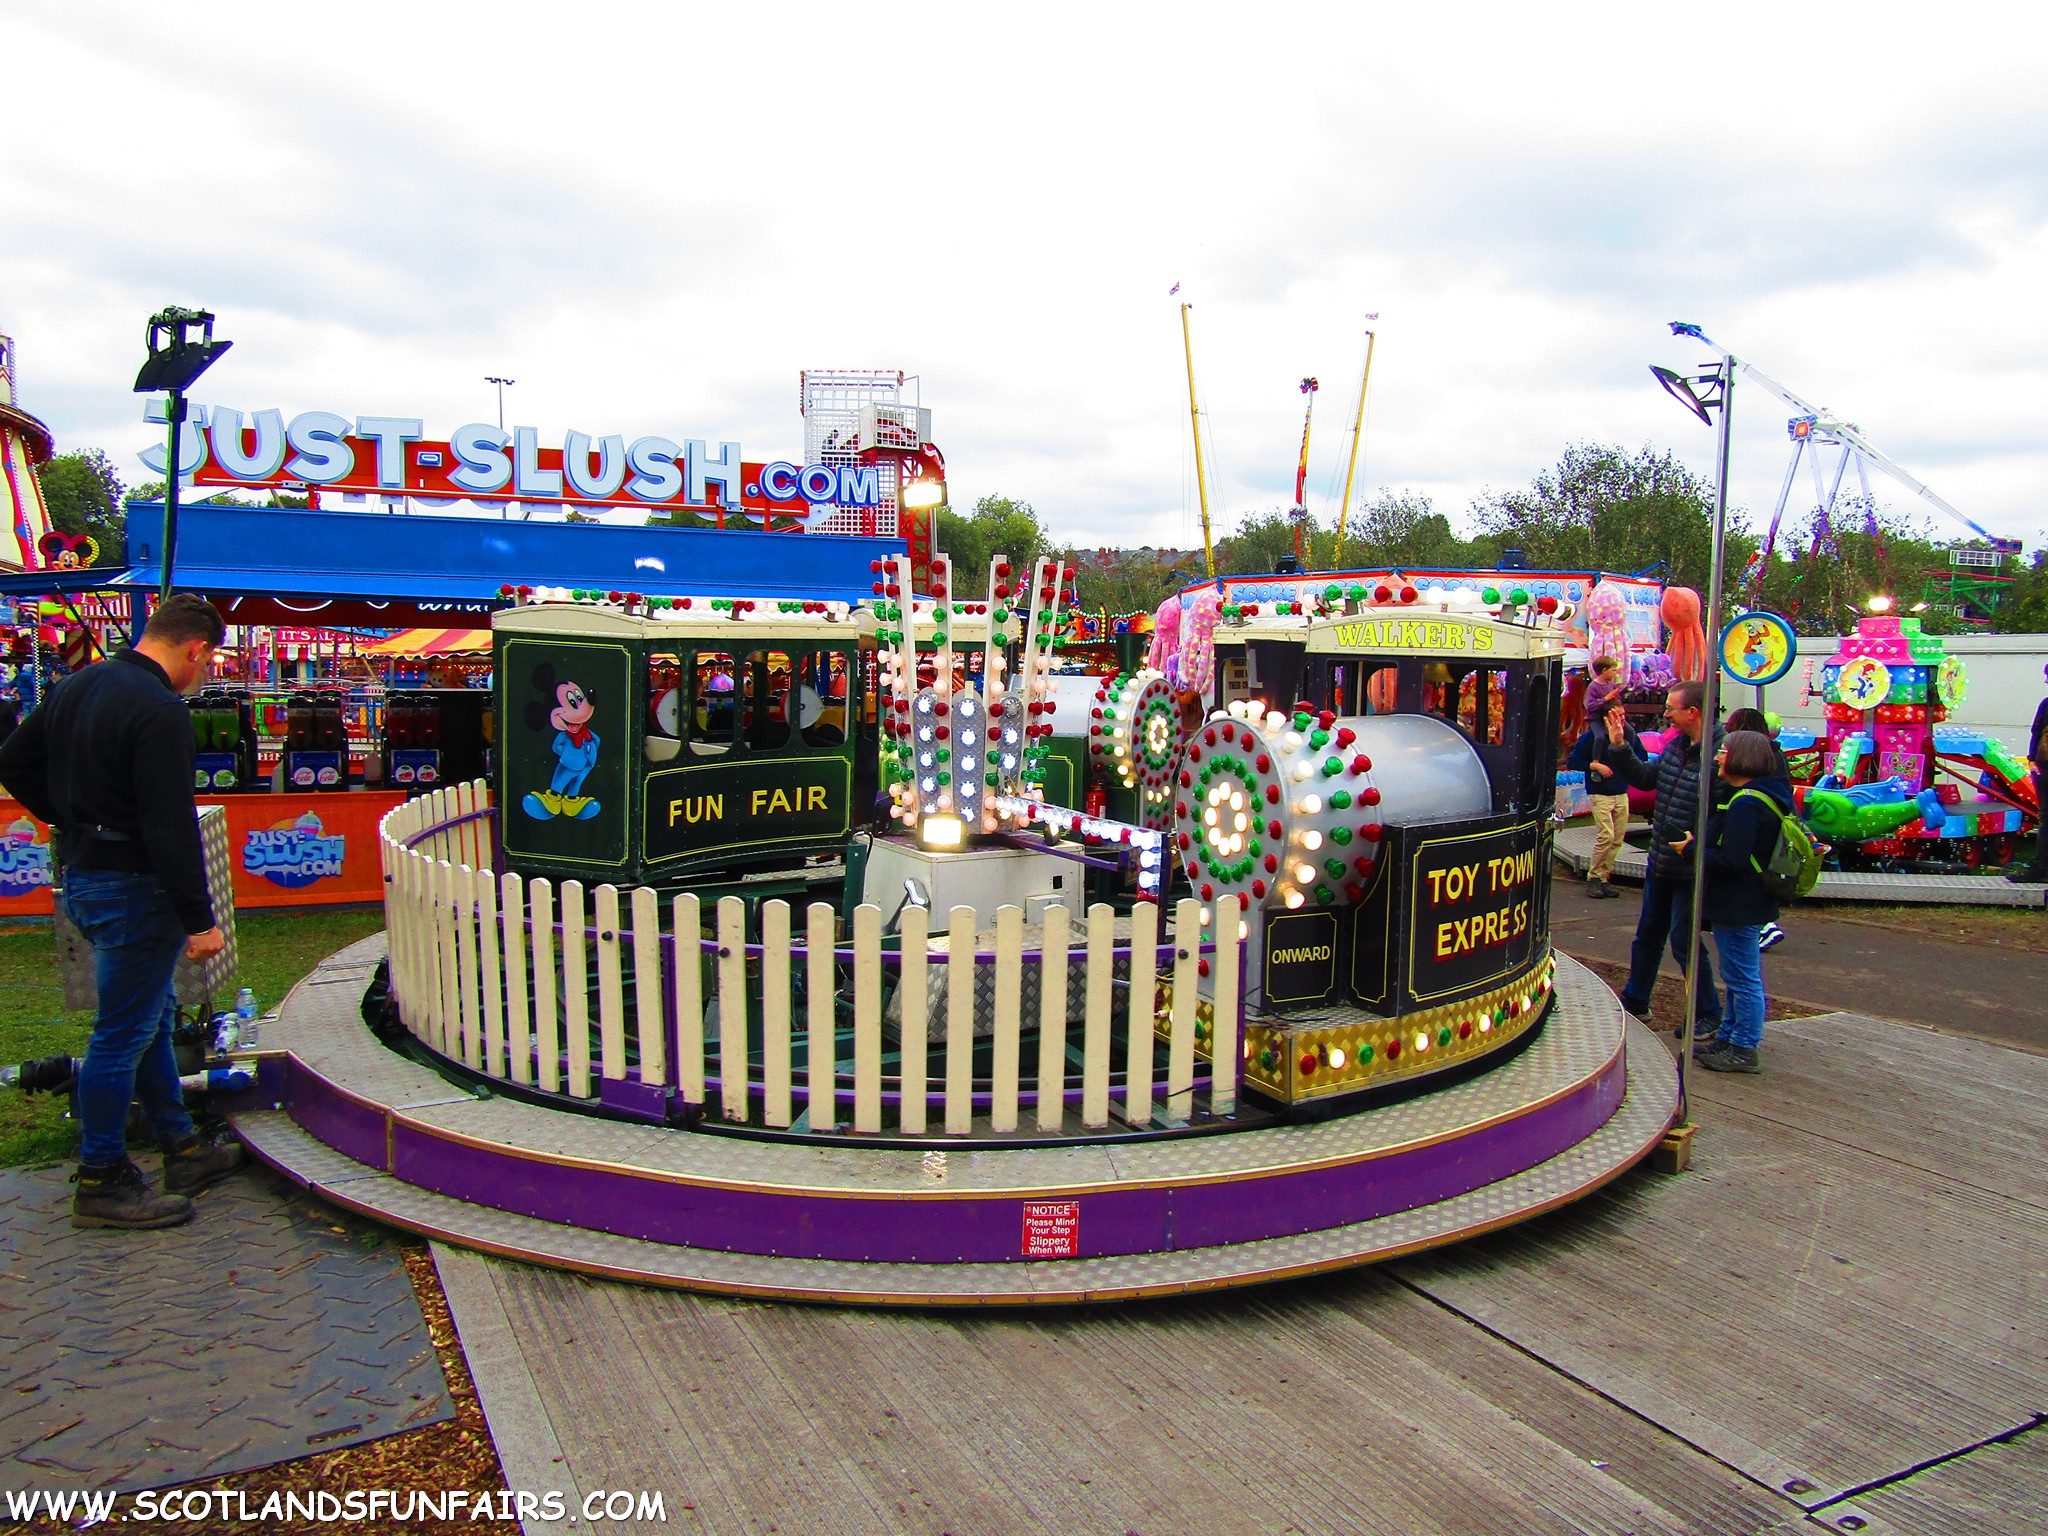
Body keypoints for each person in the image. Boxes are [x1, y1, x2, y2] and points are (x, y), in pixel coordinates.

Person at [0, 594, 244, 1228]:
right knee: (121, 1035)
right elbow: (169, 824)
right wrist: (199, 918)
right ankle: (102, 1178)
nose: (204, 672)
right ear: (195, 648)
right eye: (208, 661)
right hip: (135, 887)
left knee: (151, 1017)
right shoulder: (160, 709)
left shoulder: (78, 685)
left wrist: (65, 815)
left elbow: (13, 759)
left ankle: (181, 1146)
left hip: (84, 873)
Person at [1601, 679, 1724, 1033]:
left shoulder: (1719, 757)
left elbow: (1724, 810)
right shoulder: (1676, 748)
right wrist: (1620, 747)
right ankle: (1636, 999)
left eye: (1671, 708)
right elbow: (1644, 778)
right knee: (1648, 934)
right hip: (1662, 860)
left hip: (1690, 866)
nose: (1666, 713)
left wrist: (1700, 842)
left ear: (1693, 712)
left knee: (1684, 940)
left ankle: (1707, 1012)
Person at [1684, 729, 1794, 1073]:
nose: (1718, 756)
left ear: (1741, 757)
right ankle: (1729, 1036)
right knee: (1735, 974)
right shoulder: (1762, 796)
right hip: (1748, 900)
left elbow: (1733, 859)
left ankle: (1744, 1046)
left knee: (1743, 979)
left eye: (1724, 751)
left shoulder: (1747, 804)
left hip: (1739, 901)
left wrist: (1691, 849)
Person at [1723, 708, 1790, 951]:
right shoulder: (1776, 755)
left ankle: (1765, 927)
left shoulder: (1747, 796)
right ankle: (1763, 925)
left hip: (1756, 829)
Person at [1567, 701, 1643, 898]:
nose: (1622, 719)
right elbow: (1573, 760)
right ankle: (1593, 877)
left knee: (1617, 839)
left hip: (1621, 791)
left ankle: (1603, 877)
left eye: (1623, 715)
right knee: (1606, 836)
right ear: (1606, 718)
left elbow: (1641, 756)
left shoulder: (1629, 734)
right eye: (1618, 716)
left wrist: (1629, 763)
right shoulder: (1593, 736)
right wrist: (1595, 766)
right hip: (1600, 792)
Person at [2007, 663, 2048, 883]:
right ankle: (2040, 867)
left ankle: (2040, 869)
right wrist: (2032, 760)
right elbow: (2036, 732)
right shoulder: (2046, 704)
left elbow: (2037, 732)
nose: (2045, 681)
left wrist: (2033, 760)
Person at [1582, 655, 1625, 723]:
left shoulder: (1611, 684)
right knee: (1600, 730)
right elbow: (1589, 706)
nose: (1615, 673)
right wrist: (1606, 698)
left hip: (1611, 717)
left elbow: (1616, 701)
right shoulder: (1593, 686)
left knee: (1629, 729)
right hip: (1596, 719)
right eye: (1613, 670)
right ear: (1604, 670)